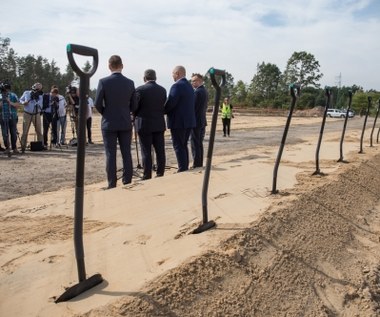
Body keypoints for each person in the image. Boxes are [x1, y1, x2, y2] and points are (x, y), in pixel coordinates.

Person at [95, 55, 136, 189]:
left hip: (109, 122)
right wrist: (126, 111)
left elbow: (97, 103)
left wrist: (105, 112)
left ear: (109, 66)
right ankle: (127, 180)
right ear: (122, 66)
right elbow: (134, 105)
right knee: (126, 152)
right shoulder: (130, 83)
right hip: (125, 121)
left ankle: (112, 183)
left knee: (110, 153)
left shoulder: (103, 82)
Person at [134, 69, 167, 180]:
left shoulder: (140, 89)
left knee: (146, 151)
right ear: (155, 78)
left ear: (144, 78)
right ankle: (160, 172)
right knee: (160, 150)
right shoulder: (162, 90)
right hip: (158, 123)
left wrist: (134, 115)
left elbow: (134, 107)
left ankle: (147, 174)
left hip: (144, 124)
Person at [164, 65, 195, 172]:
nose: (172, 76)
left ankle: (182, 168)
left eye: (173, 73)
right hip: (189, 121)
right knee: (183, 144)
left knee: (178, 145)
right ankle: (184, 166)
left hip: (178, 121)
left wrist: (162, 111)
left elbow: (171, 103)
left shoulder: (176, 86)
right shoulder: (189, 86)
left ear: (177, 73)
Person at [190, 73, 208, 168]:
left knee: (195, 143)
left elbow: (193, 107)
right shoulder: (204, 91)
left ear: (200, 81)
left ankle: (197, 164)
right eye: (192, 81)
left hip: (196, 121)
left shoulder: (197, 92)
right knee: (199, 143)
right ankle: (199, 163)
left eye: (194, 81)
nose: (192, 83)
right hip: (202, 121)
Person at [19, 82, 44, 152]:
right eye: (37, 88)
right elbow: (20, 100)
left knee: (39, 130)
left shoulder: (41, 95)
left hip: (36, 114)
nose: (38, 90)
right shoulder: (26, 93)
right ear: (33, 87)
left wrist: (36, 100)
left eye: (39, 88)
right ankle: (23, 146)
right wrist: (23, 102)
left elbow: (41, 106)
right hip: (27, 114)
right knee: (25, 131)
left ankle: (41, 145)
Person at [0, 82, 20, 155]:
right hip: (3, 117)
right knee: (5, 133)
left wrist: (10, 102)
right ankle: (7, 148)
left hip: (12, 117)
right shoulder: (0, 96)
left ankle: (14, 148)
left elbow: (18, 105)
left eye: (7, 90)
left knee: (13, 133)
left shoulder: (13, 95)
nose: (6, 91)